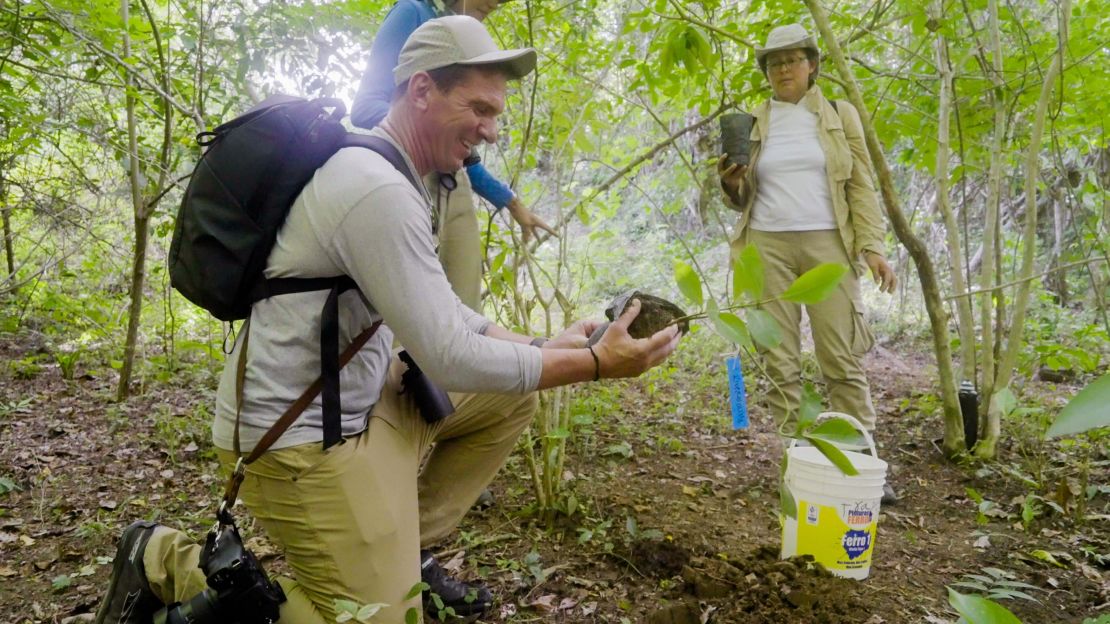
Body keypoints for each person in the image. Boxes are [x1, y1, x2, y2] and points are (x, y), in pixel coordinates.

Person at [95, 16, 681, 624]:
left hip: (356, 408)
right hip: (293, 443)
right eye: (478, 107)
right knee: (384, 620)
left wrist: (543, 344)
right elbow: (451, 356)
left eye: (497, 112)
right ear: (422, 89)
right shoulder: (375, 187)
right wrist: (590, 365)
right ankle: (164, 556)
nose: (492, 129)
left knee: (507, 399)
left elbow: (446, 316)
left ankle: (402, 548)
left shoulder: (404, 175)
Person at [717, 24, 898, 499]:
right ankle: (800, 460)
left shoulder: (840, 115)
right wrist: (731, 182)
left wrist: (873, 247)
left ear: (812, 65)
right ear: (767, 72)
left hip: (828, 244)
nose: (783, 70)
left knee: (840, 354)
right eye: (774, 63)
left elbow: (860, 186)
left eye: (792, 60)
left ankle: (860, 462)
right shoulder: (753, 122)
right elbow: (739, 200)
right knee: (778, 358)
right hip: (765, 246)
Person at [352, 0, 554, 310]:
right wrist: (428, 132)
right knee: (407, 314)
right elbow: (366, 108)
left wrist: (510, 202)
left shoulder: (464, 32)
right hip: (414, 173)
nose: (496, 3)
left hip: (452, 182)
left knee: (462, 306)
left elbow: (465, 154)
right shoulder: (413, 12)